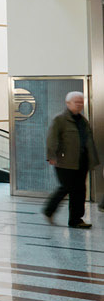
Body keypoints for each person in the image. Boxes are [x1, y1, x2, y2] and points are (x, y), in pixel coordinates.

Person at [45, 91, 97, 229]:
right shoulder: (60, 120)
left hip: (82, 161)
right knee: (66, 187)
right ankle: (49, 210)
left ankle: (76, 220)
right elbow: (52, 139)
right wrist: (51, 156)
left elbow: (88, 142)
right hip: (64, 161)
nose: (79, 104)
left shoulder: (83, 121)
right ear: (68, 103)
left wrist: (92, 159)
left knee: (80, 190)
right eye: (76, 102)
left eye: (81, 102)